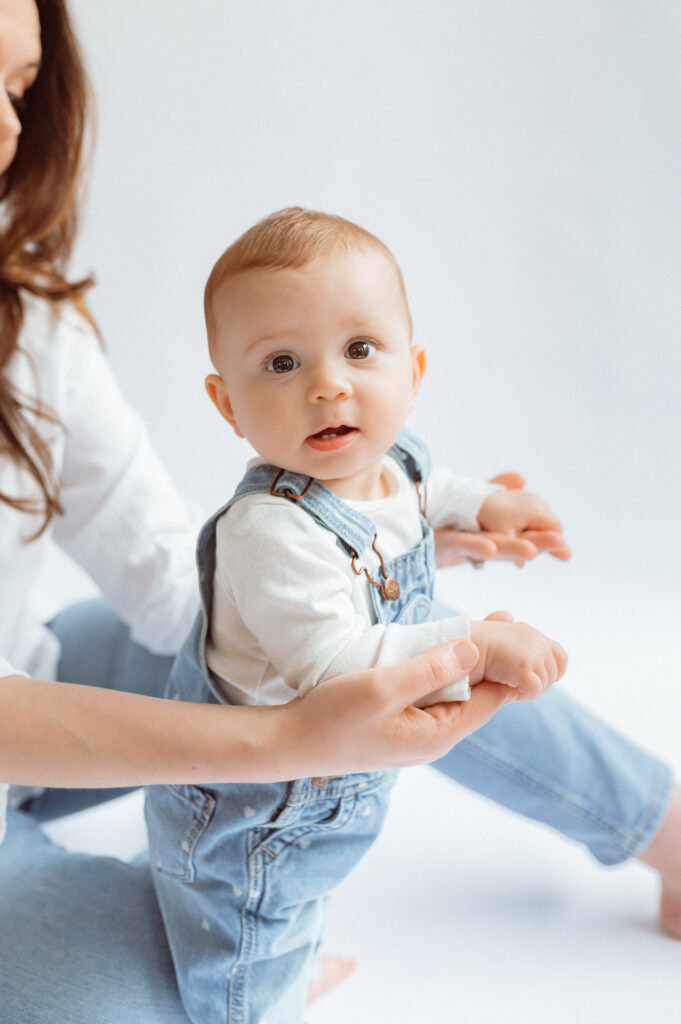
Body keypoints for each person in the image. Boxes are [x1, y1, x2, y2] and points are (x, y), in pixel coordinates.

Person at [0, 1, 679, 1022]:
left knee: (374, 621)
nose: (14, 128)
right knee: (145, 999)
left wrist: (357, 549)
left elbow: (161, 568)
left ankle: (669, 825)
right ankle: (236, 931)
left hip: (32, 675)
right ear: (227, 396)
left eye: (17, 85)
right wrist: (280, 748)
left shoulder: (27, 320)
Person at [145, 207, 569, 1024]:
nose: (327, 384)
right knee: (245, 937)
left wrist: (490, 508)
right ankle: (256, 995)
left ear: (411, 369)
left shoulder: (391, 458)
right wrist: (473, 645)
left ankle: (294, 957)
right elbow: (336, 667)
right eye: (280, 362)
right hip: (252, 801)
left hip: (329, 780)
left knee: (306, 888)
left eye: (359, 350)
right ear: (226, 404)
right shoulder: (268, 528)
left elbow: (428, 492)